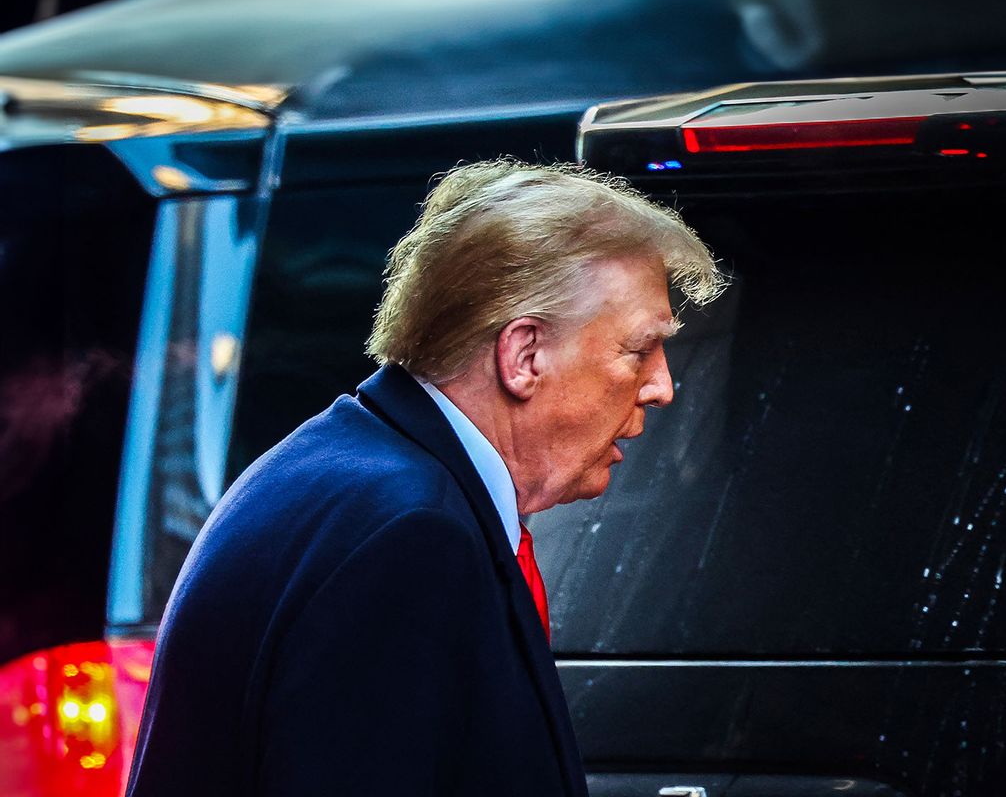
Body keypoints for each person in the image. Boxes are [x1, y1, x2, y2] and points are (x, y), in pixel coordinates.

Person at [125, 159, 725, 797]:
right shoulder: (409, 535)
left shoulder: (358, 474)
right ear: (524, 356)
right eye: (638, 350)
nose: (661, 386)